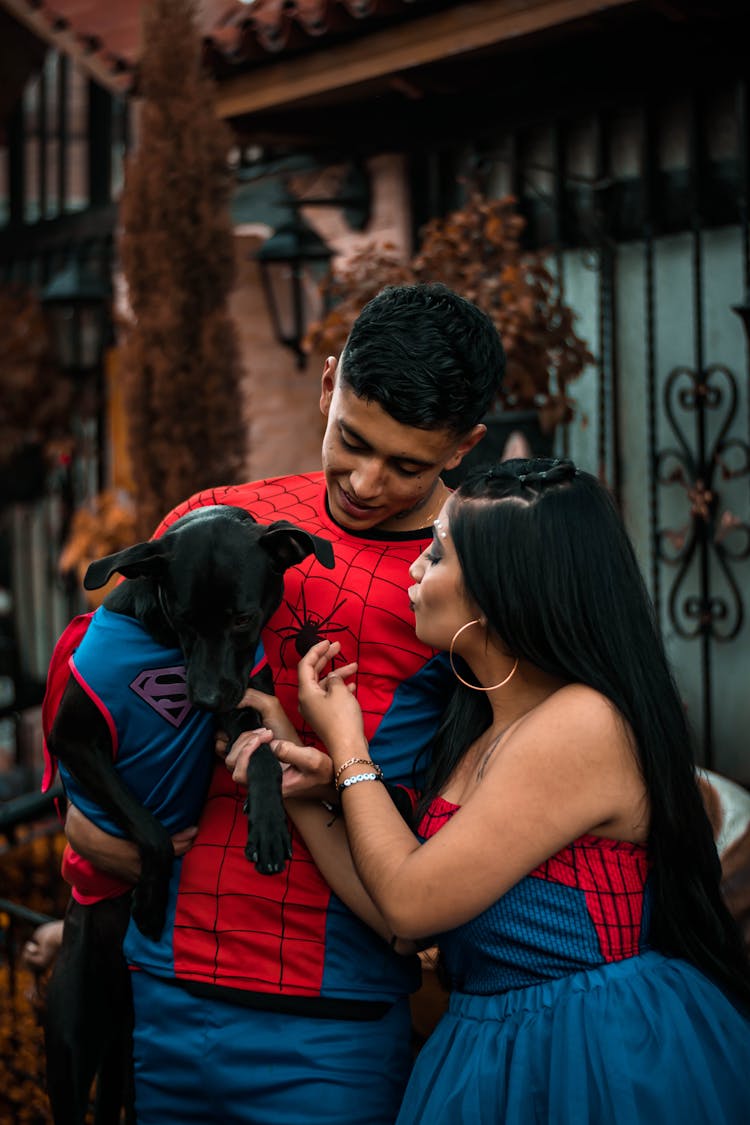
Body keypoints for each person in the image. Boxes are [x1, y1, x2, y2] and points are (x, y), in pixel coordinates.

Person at [62, 282, 506, 1125]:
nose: (368, 482)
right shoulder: (209, 524)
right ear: (329, 380)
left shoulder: (476, 577)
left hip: (333, 1015)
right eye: (352, 440)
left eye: (408, 465)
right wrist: (81, 818)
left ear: (465, 445)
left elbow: (503, 776)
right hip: (165, 981)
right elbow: (109, 699)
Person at [241, 457, 750, 1124]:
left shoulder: (583, 723)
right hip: (495, 1041)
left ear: (500, 590)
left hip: (593, 1052)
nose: (416, 572)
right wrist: (300, 786)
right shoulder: (480, 729)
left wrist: (348, 747)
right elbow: (396, 909)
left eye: (437, 553)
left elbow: (410, 904)